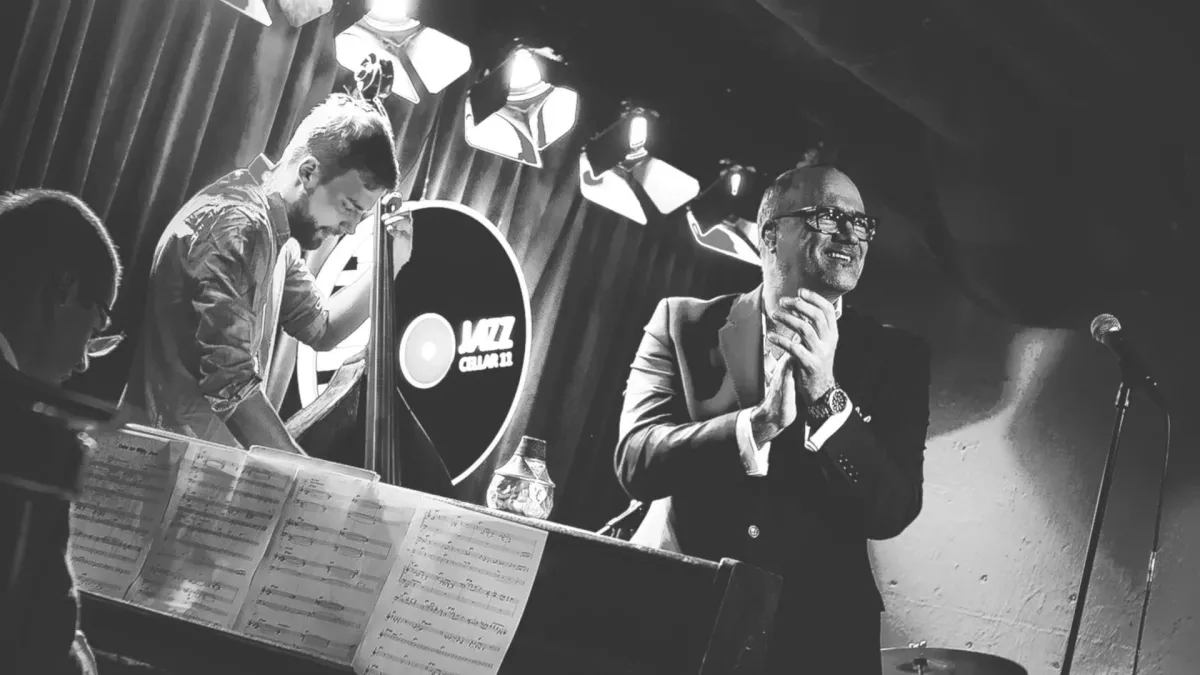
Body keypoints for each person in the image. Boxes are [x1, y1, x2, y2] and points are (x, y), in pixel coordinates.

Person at [615, 166, 931, 674]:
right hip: (683, 627)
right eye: (828, 216)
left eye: (861, 223)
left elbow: (892, 510)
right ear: (769, 234)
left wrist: (826, 398)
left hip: (819, 644)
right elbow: (636, 460)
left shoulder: (899, 357)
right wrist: (755, 427)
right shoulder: (681, 324)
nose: (851, 234)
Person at [123, 93, 411, 455]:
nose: (351, 228)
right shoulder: (239, 223)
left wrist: (390, 263)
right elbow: (231, 382)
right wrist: (307, 474)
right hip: (157, 465)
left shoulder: (277, 239)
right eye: (348, 207)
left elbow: (322, 328)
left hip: (189, 467)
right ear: (308, 172)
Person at [0, 189, 123, 674]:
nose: (84, 361)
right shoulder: (32, 443)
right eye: (94, 330)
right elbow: (42, 649)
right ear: (65, 289)